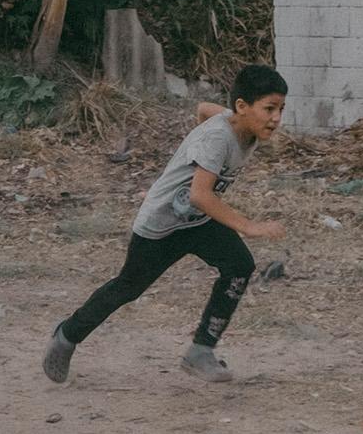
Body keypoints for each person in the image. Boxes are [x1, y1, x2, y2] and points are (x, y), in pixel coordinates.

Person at [40, 64, 291, 384]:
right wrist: (248, 226)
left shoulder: (242, 125)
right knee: (128, 287)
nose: (276, 118)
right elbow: (200, 195)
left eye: (281, 109)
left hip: (198, 223)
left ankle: (200, 351)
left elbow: (203, 109)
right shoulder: (219, 137)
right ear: (242, 107)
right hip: (163, 225)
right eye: (269, 109)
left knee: (239, 265)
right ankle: (67, 335)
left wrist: (205, 132)